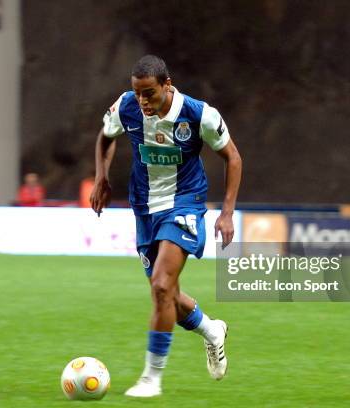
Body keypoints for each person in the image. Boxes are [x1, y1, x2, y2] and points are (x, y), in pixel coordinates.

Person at [90, 55, 242, 397]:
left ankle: (151, 379)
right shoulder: (126, 107)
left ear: (167, 84)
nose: (142, 101)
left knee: (160, 287)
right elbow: (105, 137)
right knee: (168, 296)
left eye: (149, 93)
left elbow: (232, 157)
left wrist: (227, 212)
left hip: (184, 203)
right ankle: (212, 330)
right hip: (144, 209)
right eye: (137, 93)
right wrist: (101, 178)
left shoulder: (199, 114)